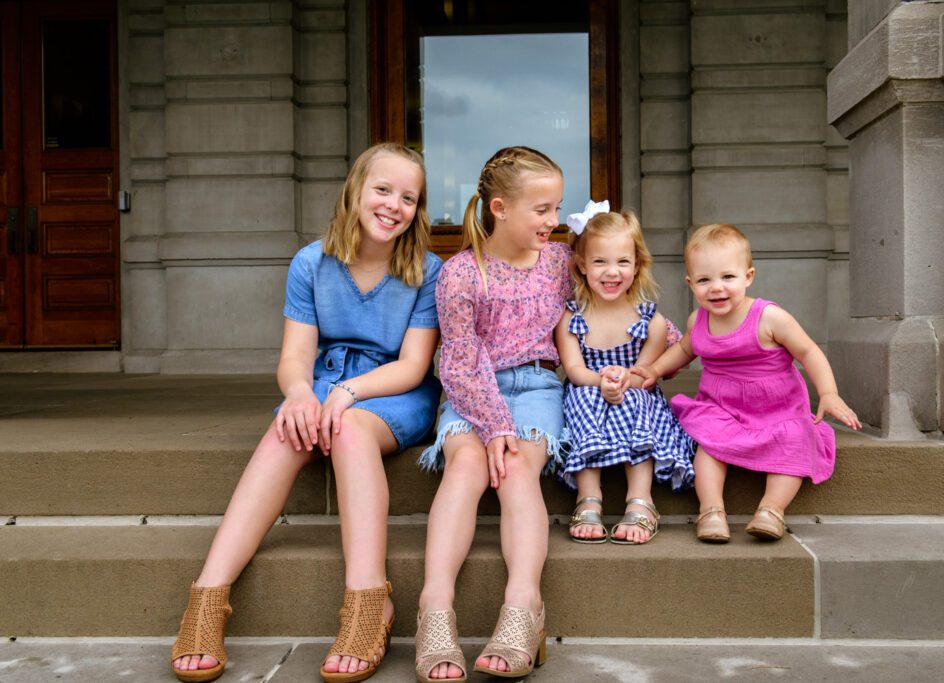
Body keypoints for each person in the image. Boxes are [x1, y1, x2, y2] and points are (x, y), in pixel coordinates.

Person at [170, 143, 443, 683]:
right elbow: (295, 357)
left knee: (346, 430)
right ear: (355, 192)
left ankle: (370, 602)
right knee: (283, 432)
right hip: (323, 382)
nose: (394, 205)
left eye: (408, 197)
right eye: (382, 190)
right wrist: (300, 393)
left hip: (393, 390)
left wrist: (348, 394)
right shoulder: (310, 262)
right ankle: (207, 598)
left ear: (418, 209)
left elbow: (413, 366)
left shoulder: (427, 270)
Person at [413, 146, 571, 682]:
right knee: (465, 467)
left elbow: (603, 302)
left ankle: (523, 607)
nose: (554, 221)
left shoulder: (558, 262)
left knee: (518, 470)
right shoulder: (462, 272)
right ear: (499, 208)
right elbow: (458, 359)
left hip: (535, 384)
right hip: (470, 387)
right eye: (542, 210)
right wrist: (492, 422)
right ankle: (435, 609)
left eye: (557, 208)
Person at [633, 223, 861, 543]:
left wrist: (828, 392)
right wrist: (655, 369)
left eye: (728, 277)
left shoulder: (768, 317)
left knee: (796, 438)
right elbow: (686, 349)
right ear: (690, 283)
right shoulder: (697, 320)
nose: (716, 288)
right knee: (708, 445)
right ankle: (712, 510)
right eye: (704, 280)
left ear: (748, 276)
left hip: (777, 408)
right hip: (721, 406)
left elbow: (808, 350)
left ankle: (771, 510)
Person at [555, 202, 695, 545]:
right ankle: (589, 498)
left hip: (634, 393)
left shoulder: (652, 322)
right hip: (587, 391)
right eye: (600, 261)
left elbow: (646, 373)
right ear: (582, 265)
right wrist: (601, 382)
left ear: (637, 265)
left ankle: (641, 500)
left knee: (635, 400)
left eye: (622, 261)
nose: (611, 271)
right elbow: (574, 370)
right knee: (585, 398)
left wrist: (623, 382)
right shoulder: (571, 319)